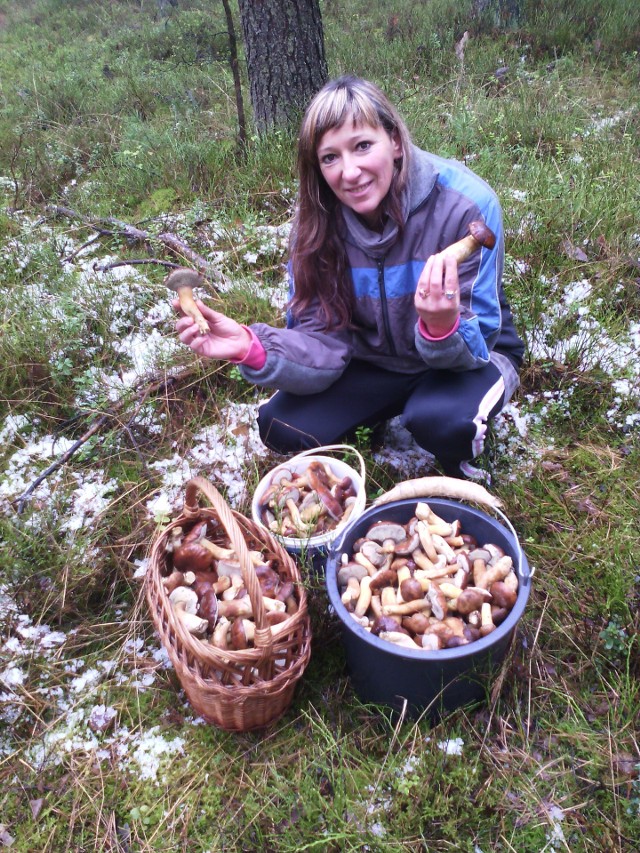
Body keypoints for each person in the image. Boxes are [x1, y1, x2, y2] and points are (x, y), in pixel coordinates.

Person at [175, 75, 524, 480]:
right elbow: (321, 338)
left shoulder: (467, 205)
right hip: (372, 360)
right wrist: (250, 347)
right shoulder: (316, 224)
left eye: (362, 146)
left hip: (467, 357)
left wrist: (442, 327)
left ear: (394, 141)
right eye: (330, 158)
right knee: (280, 425)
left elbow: (482, 338)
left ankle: (451, 450)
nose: (350, 172)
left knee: (443, 423)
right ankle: (390, 410)